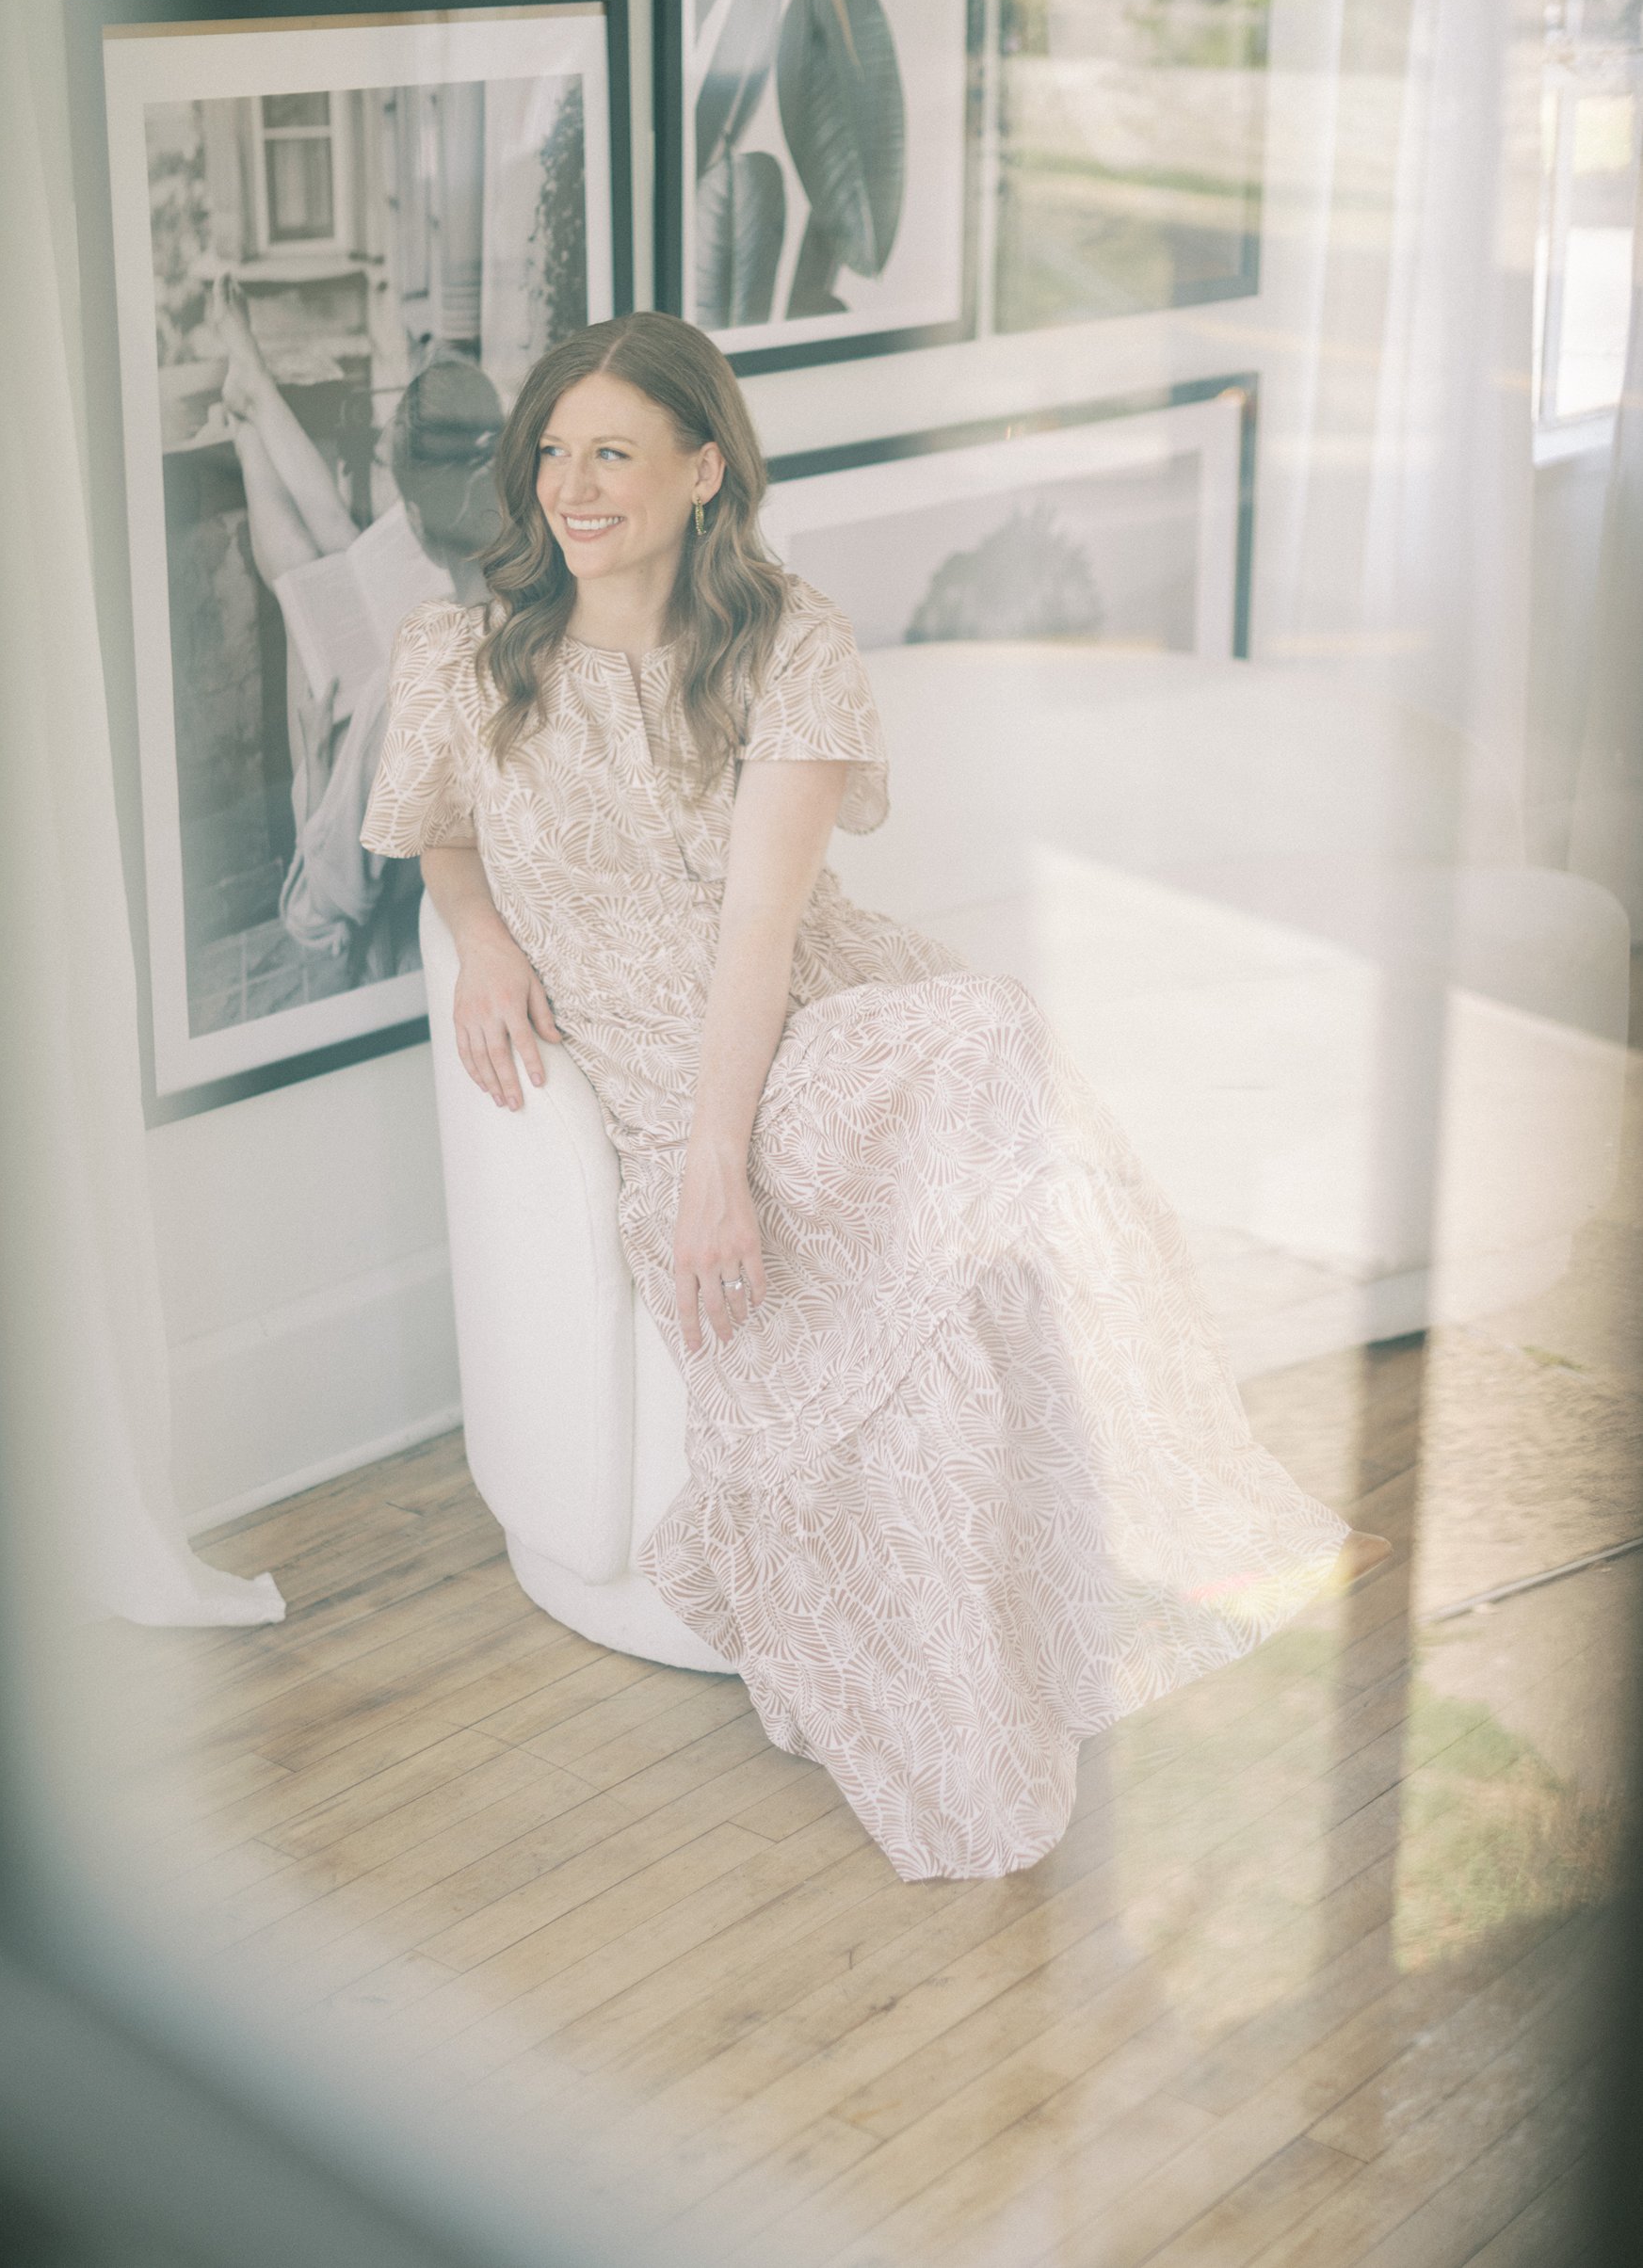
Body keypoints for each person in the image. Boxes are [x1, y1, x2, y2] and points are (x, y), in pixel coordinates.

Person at [359, 310, 1392, 1884]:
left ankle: (1156, 1511)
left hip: (806, 1036)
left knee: (981, 1044)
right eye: (554, 451)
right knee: (945, 1273)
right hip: (641, 1069)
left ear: (705, 471)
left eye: (614, 453)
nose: (573, 485)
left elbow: (766, 934)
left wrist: (721, 1167)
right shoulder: (460, 656)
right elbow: (438, 823)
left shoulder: (789, 647)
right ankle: (965, 1684)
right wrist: (486, 939)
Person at [211, 271, 504, 979]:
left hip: (391, 880)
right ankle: (252, 400)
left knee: (314, 585)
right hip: (443, 691)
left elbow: (321, 908)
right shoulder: (544, 605)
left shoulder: (397, 707)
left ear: (422, 530)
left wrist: (314, 761)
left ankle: (247, 421)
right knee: (343, 559)